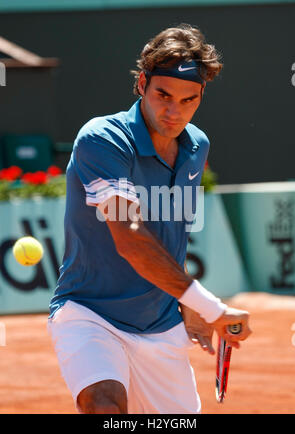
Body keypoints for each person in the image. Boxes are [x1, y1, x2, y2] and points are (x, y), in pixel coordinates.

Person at [48, 23, 251, 414]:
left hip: (161, 325)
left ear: (201, 95)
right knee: (105, 406)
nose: (175, 112)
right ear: (141, 83)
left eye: (189, 100)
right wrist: (208, 305)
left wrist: (185, 302)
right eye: (163, 95)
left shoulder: (196, 146)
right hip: (90, 314)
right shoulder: (102, 138)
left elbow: (171, 234)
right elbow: (131, 238)